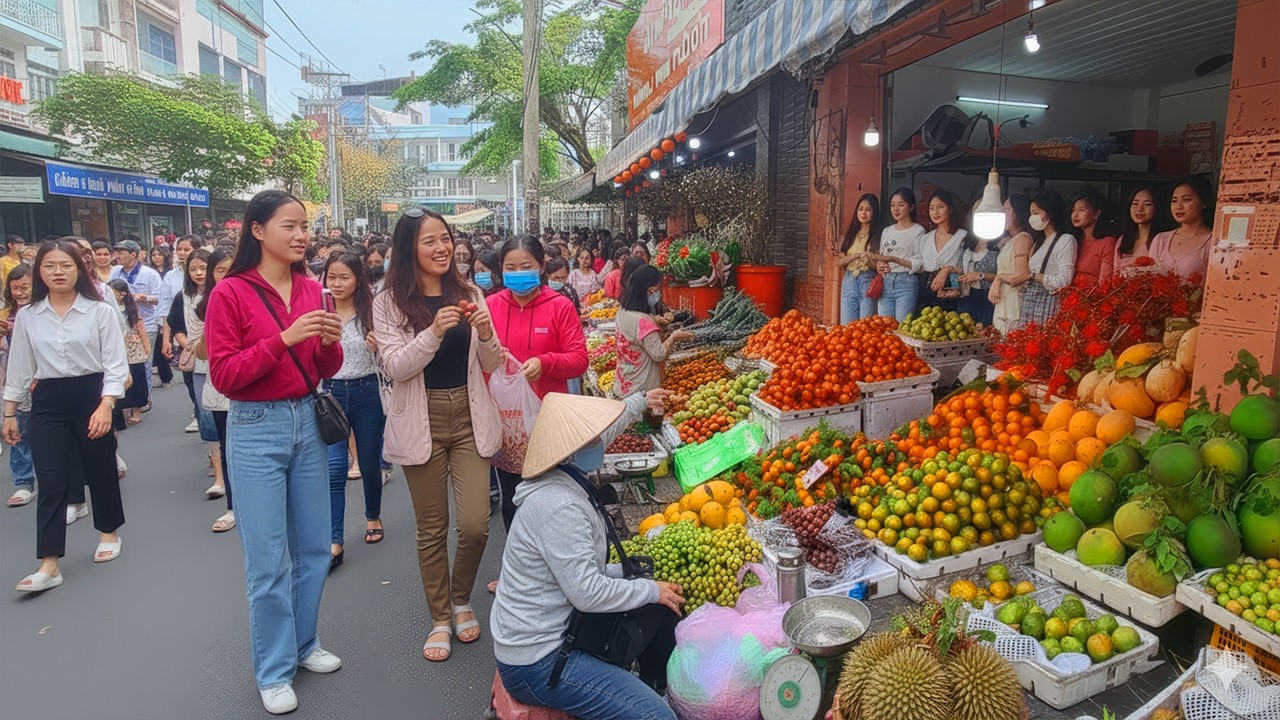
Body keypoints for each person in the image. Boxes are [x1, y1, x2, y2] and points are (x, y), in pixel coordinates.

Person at [205, 190, 345, 715]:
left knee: (313, 550)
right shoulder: (231, 294)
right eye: (290, 225)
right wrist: (283, 340)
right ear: (257, 230)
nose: (302, 234)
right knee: (267, 561)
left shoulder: (315, 289)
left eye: (305, 225)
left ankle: (303, 644)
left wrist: (328, 340)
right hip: (256, 426)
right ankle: (273, 668)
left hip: (308, 421)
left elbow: (325, 367)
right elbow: (224, 376)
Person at [492, 390, 682, 720]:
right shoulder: (559, 506)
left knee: (657, 605)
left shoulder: (563, 476)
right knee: (658, 717)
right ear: (570, 451)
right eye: (591, 439)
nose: (600, 443)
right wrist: (650, 590)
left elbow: (606, 431)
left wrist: (638, 401)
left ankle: (646, 687)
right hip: (540, 660)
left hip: (554, 631)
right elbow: (586, 593)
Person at [373, 208, 501, 663]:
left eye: (444, 238)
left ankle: (462, 596)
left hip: (469, 415)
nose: (442, 247)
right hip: (419, 417)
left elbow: (491, 364)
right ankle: (440, 617)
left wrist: (485, 334)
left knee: (474, 523)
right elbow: (395, 366)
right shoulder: (387, 302)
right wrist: (432, 332)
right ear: (409, 248)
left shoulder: (470, 292)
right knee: (432, 528)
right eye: (429, 240)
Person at [4, 239, 128, 592]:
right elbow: (20, 367)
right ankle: (49, 562)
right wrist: (9, 412)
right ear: (40, 271)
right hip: (48, 400)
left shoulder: (100, 310)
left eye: (66, 266)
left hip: (92, 394)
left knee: (100, 469)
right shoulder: (28, 315)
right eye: (50, 266)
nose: (58, 272)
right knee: (51, 478)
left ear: (80, 270)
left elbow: (115, 364)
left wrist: (107, 404)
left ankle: (108, 532)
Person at [487, 236, 589, 531]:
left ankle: (551, 568)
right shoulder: (491, 306)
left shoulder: (559, 306)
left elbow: (579, 359)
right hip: (508, 423)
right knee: (512, 498)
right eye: (511, 267)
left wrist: (546, 363)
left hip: (548, 419)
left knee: (549, 499)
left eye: (526, 266)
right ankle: (517, 571)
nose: (518, 273)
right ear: (501, 270)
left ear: (542, 266)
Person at [321, 253, 386, 567]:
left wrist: (380, 346)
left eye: (343, 277)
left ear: (358, 279)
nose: (336, 283)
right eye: (331, 277)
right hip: (331, 394)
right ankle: (335, 538)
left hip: (367, 392)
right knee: (334, 470)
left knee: (370, 464)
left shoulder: (372, 312)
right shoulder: (320, 312)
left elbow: (391, 357)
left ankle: (372, 516)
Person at [195, 249, 236, 531]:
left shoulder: (255, 297)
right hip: (223, 390)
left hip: (255, 389)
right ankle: (233, 507)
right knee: (227, 448)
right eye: (221, 270)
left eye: (232, 269)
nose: (226, 276)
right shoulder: (205, 305)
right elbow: (201, 354)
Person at [615, 264, 693, 398]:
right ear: (649, 291)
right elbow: (659, 354)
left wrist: (654, 320)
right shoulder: (643, 321)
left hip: (625, 381)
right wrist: (673, 337)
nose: (659, 293)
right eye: (657, 289)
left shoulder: (623, 310)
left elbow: (635, 333)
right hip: (642, 389)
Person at [109, 239, 163, 395]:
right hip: (121, 325)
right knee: (125, 363)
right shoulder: (115, 272)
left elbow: (160, 298)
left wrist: (145, 298)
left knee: (144, 361)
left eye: (121, 252)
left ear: (133, 254)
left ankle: (146, 397)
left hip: (146, 323)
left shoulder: (149, 274)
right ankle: (129, 400)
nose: (117, 256)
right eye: (116, 252)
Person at [1017, 190, 1077, 328]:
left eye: (1036, 213)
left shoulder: (1066, 240)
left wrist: (1034, 276)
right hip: (1030, 302)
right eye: (1031, 213)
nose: (1033, 217)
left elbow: (1065, 280)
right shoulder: (1039, 241)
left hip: (1048, 302)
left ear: (1051, 212)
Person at [3, 265, 35, 507]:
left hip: (44, 380)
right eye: (15, 288)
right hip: (16, 382)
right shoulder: (7, 312)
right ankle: (24, 482)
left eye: (25, 287)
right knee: (18, 431)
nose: (20, 292)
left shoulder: (41, 311)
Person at [870, 188, 926, 321]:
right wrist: (880, 264)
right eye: (893, 205)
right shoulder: (887, 231)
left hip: (906, 281)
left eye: (901, 205)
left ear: (911, 206)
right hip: (886, 280)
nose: (896, 209)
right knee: (884, 327)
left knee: (902, 326)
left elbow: (920, 264)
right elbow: (884, 256)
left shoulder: (918, 230)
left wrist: (895, 260)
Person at [1149, 176, 1214, 281]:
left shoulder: (1213, 243)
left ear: (1204, 202)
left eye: (1186, 199)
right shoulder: (1160, 239)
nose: (1178, 206)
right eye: (1174, 201)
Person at [154, 236, 198, 390]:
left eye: (187, 249)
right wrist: (166, 339)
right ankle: (196, 407)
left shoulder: (208, 274)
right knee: (189, 373)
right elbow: (166, 309)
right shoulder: (171, 276)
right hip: (181, 332)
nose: (182, 253)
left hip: (203, 331)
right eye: (179, 249)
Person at [107, 279, 151, 426]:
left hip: (133, 347)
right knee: (120, 378)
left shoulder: (131, 308)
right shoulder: (106, 308)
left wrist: (147, 347)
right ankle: (122, 410)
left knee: (137, 379)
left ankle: (137, 410)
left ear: (122, 294)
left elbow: (141, 328)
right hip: (116, 346)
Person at [916, 190, 968, 312]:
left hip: (950, 292)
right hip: (926, 293)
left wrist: (953, 284)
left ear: (950, 209)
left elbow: (962, 268)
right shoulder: (925, 238)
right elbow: (919, 265)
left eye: (940, 207)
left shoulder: (962, 236)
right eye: (931, 208)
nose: (935, 212)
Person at [989, 195, 1034, 335]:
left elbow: (1021, 276)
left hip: (1014, 302)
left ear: (1019, 213)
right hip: (1004, 300)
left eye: (1008, 209)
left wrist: (998, 279)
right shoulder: (1010, 240)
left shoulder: (1022, 239)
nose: (1004, 213)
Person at [838, 193, 881, 324]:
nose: (863, 213)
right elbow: (840, 262)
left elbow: (876, 266)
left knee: (865, 327)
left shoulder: (878, 236)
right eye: (860, 209)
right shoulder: (850, 234)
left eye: (868, 210)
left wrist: (869, 258)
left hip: (867, 279)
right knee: (847, 327)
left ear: (874, 213)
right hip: (849, 280)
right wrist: (858, 255)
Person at [1114, 186, 1165, 274]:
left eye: (1147, 204)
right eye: (1135, 203)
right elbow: (1115, 272)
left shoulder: (1162, 240)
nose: (1139, 209)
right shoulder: (1124, 239)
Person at [1070, 190, 1117, 285]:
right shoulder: (1073, 240)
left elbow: (1105, 283)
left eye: (1082, 210)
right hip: (1068, 296)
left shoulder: (1107, 242)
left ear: (1097, 213)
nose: (1075, 215)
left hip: (1092, 296)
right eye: (1073, 210)